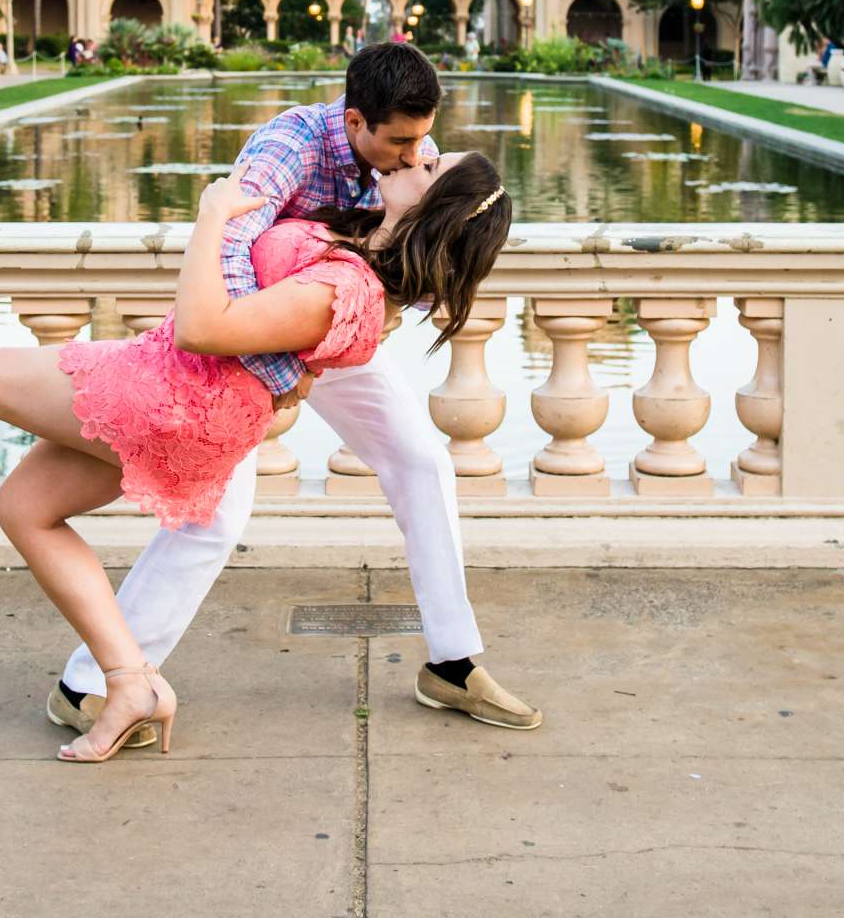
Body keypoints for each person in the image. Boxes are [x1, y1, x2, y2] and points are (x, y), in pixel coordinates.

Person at [0, 135, 512, 764]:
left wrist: (212, 220)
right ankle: (124, 683)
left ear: (430, 205)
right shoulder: (360, 253)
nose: (419, 153)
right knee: (23, 504)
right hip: (184, 396)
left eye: (431, 165)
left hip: (168, 391)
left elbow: (204, 326)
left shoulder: (348, 289)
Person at [45, 41, 544, 744]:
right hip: (252, 339)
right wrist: (280, 371)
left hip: (327, 324)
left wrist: (329, 345)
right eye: (401, 143)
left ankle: (452, 663)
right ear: (353, 122)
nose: (412, 157)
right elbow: (225, 252)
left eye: (423, 144)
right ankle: (88, 686)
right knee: (215, 517)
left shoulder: (408, 154)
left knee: (422, 461)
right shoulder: (290, 146)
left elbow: (417, 259)